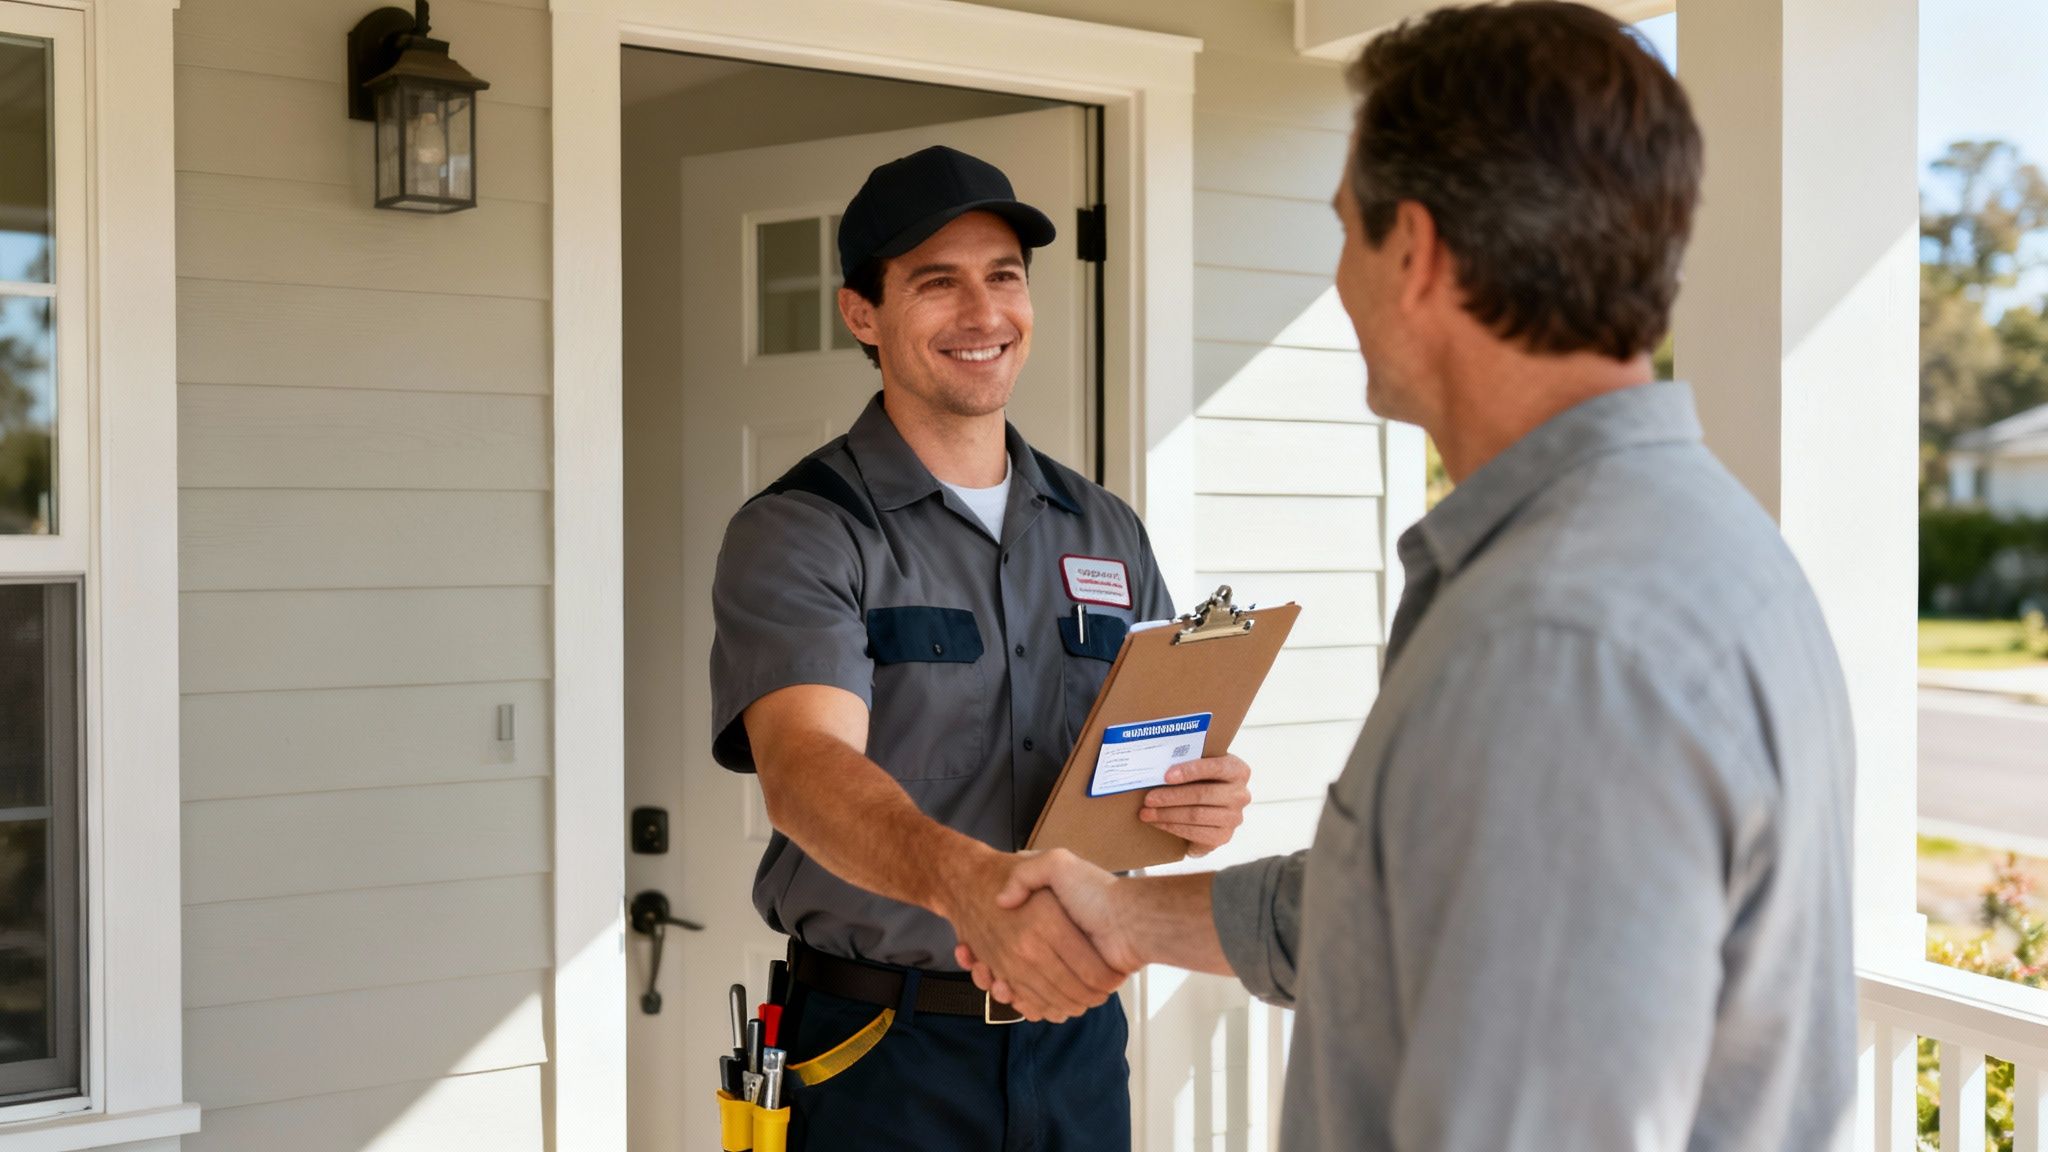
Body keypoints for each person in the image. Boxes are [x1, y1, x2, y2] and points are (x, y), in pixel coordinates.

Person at [961, 4, 1859, 1149]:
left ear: (1416, 254)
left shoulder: (1557, 643)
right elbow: (1394, 905)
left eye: (1345, 231)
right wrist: (1128, 914)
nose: (1337, 279)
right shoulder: (1694, 547)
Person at [708, 145, 1255, 1151]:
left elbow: (1140, 756)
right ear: (861, 314)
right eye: (936, 282)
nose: (982, 312)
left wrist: (1193, 801)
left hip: (1077, 1040)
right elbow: (805, 771)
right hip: (879, 1050)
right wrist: (968, 884)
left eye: (1003, 276)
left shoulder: (1103, 529)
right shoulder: (803, 530)